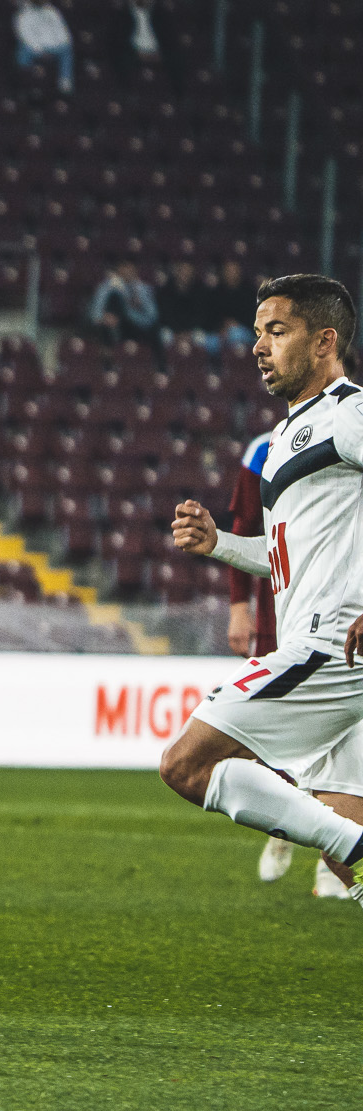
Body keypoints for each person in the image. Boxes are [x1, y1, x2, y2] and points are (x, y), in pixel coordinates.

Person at [163, 274, 363, 892]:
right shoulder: (282, 439)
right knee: (336, 837)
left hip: (331, 646)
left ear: (324, 341)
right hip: (329, 648)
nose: (259, 345)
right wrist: (219, 543)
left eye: (277, 331)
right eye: (257, 333)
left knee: (188, 764)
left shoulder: (351, 413)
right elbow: (283, 557)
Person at [220, 423, 353, 899]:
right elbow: (246, 528)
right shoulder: (264, 449)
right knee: (276, 739)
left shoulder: (349, 427)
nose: (266, 348)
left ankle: (329, 854)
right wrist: (238, 607)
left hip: (342, 618)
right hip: (281, 618)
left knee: (340, 738)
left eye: (276, 339)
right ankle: (285, 830)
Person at [13, 0, 75, 95]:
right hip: (34, 47)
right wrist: (40, 50)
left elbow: (62, 30)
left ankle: (64, 80)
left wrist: (62, 43)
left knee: (67, 50)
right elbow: (24, 35)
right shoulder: (24, 14)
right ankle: (26, 81)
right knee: (21, 54)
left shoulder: (52, 11)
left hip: (52, 45)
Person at [87, 261, 159, 350]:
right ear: (118, 271)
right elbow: (96, 311)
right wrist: (103, 317)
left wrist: (140, 299)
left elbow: (152, 315)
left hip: (140, 323)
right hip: (118, 323)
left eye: (131, 270)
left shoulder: (143, 287)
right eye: (124, 269)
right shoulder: (109, 285)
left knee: (158, 332)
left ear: (135, 271)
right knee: (115, 297)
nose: (128, 272)